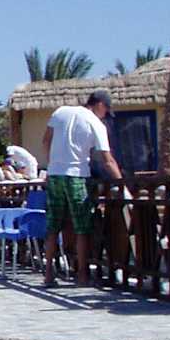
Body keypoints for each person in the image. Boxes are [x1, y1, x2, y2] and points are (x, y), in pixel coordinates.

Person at [41, 89, 125, 287]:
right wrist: (122, 183)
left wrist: (51, 164)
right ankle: (82, 275)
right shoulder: (95, 123)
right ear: (100, 105)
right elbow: (107, 160)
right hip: (77, 176)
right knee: (82, 227)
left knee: (53, 226)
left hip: (54, 175)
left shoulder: (60, 112)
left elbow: (46, 140)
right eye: (106, 111)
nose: (105, 115)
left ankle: (48, 274)